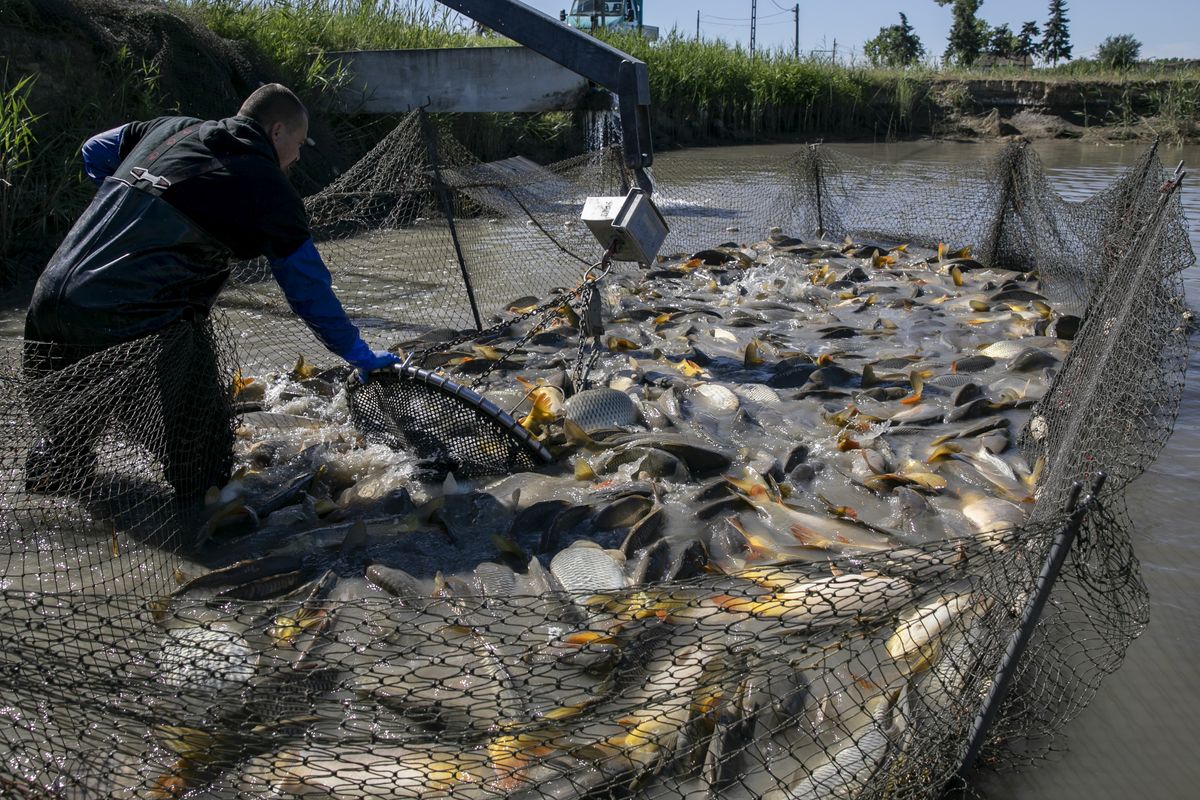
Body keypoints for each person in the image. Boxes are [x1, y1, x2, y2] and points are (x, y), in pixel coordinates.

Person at [23, 83, 400, 502]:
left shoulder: (170, 129)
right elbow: (308, 289)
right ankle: (200, 535)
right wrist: (356, 352)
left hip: (49, 300)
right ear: (276, 131)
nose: (295, 158)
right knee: (205, 472)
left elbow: (93, 150)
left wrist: (136, 204)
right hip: (136, 323)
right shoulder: (268, 187)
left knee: (66, 442)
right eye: (296, 145)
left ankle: (50, 507)